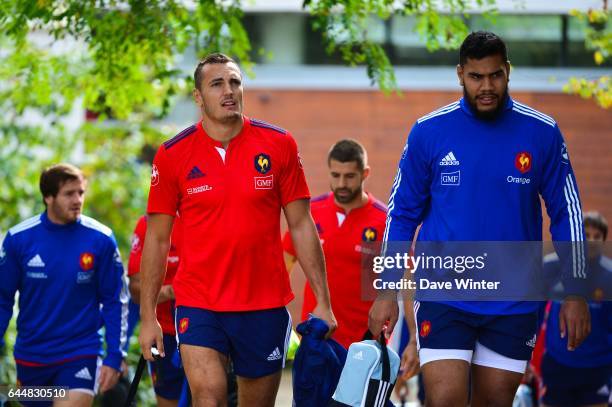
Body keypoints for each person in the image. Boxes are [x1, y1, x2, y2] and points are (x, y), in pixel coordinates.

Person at [368, 31, 591, 406]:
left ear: (507, 71)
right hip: (444, 294)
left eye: (495, 75)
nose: (486, 86)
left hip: (513, 299)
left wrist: (576, 289)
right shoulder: (429, 131)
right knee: (446, 399)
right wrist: (386, 289)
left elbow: (567, 213)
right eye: (476, 77)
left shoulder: (542, 132)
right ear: (460, 74)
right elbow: (402, 213)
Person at [138, 52, 337, 406]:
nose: (229, 91)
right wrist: (149, 316)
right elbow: (156, 237)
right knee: (209, 397)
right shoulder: (172, 154)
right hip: (199, 301)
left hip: (264, 302)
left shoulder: (279, 144)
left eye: (235, 82)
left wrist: (323, 301)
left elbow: (302, 225)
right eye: (217, 84)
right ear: (198, 97)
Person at [0, 163, 128, 407]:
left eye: (81, 192)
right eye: (69, 193)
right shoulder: (19, 239)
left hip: (80, 353)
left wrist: (114, 355)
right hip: (31, 357)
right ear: (48, 197)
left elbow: (115, 300)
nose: (78, 200)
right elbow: (2, 299)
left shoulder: (100, 239)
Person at [283, 139, 387, 348]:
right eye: (336, 175)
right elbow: (281, 268)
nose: (341, 184)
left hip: (365, 343)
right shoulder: (310, 213)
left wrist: (413, 338)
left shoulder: (384, 220)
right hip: (316, 338)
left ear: (365, 174)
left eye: (349, 176)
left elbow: (404, 282)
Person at [539, 211, 611, 407]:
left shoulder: (609, 276)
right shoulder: (552, 267)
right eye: (586, 235)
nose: (592, 240)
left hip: (596, 368)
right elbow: (535, 313)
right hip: (557, 363)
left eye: (597, 236)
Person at [128, 215, 185, 407]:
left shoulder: (209, 216)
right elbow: (135, 288)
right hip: (165, 333)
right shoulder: (148, 223)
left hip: (209, 329)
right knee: (169, 400)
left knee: (210, 396)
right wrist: (170, 291)